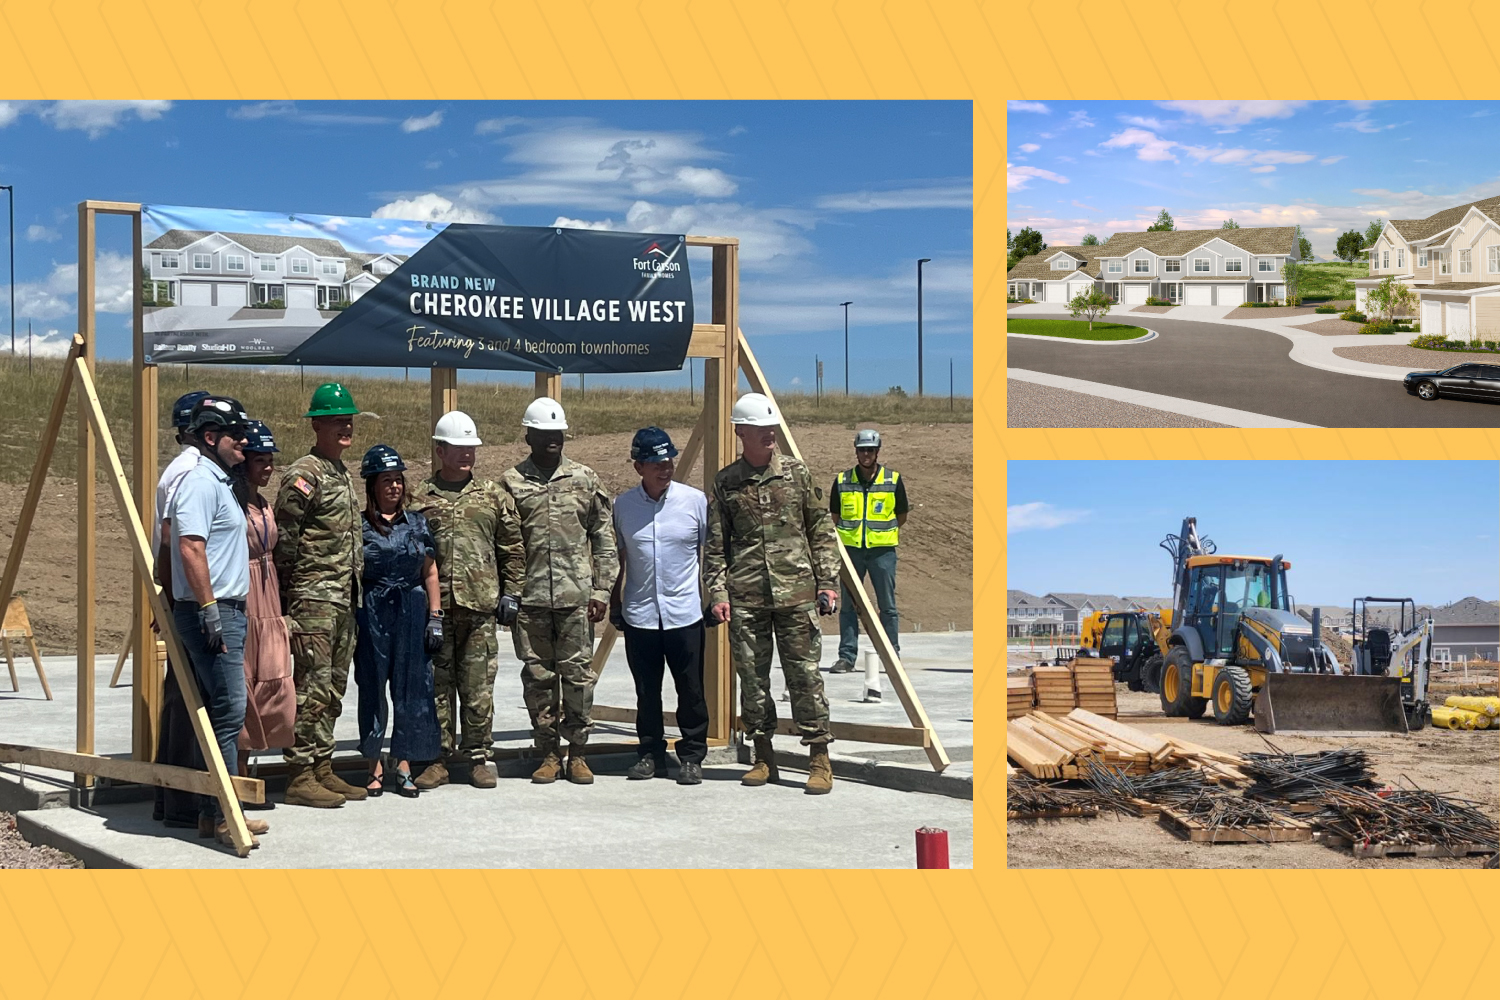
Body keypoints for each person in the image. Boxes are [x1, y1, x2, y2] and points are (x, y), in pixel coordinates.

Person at [704, 392, 842, 795]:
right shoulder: (726, 482)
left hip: (797, 595)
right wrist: (717, 592)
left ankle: (819, 758)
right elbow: (716, 545)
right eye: (761, 430)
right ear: (741, 432)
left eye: (772, 429)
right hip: (746, 598)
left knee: (805, 677)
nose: (769, 436)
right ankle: (764, 756)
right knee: (753, 680)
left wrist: (828, 582)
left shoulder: (797, 474)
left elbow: (821, 531)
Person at [167, 396, 269, 847]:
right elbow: (189, 545)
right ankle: (229, 815)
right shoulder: (198, 483)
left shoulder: (218, 480)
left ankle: (214, 813)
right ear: (211, 438)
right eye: (236, 436)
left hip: (226, 609)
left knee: (220, 711)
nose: (245, 443)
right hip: (214, 611)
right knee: (228, 710)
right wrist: (208, 609)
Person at [500, 397, 617, 785]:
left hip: (576, 600)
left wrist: (601, 591)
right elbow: (500, 543)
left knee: (579, 679)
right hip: (529, 600)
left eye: (558, 433)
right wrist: (507, 594)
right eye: (544, 433)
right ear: (528, 435)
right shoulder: (510, 483)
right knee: (538, 678)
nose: (553, 439)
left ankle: (578, 752)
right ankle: (548, 752)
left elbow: (604, 538)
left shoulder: (585, 479)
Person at [406, 411, 523, 790]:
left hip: (479, 607)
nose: (467, 455)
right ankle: (437, 759)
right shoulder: (419, 497)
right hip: (434, 610)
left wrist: (512, 593)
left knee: (477, 688)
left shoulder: (492, 495)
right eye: (458, 448)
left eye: (471, 448)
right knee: (437, 686)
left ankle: (477, 758)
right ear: (440, 450)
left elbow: (512, 548)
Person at [274, 382, 365, 809]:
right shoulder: (304, 474)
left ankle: (323, 765)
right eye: (335, 420)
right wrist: (290, 594)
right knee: (310, 685)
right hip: (313, 597)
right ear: (316, 425)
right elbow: (286, 540)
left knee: (333, 686)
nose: (345, 426)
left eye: (348, 419)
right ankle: (299, 772)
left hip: (344, 597)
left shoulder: (341, 473)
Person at [610, 427, 710, 786]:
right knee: (646, 692)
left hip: (685, 615)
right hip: (641, 616)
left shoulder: (694, 502)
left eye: (669, 461)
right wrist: (615, 600)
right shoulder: (623, 506)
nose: (665, 469)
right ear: (639, 467)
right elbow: (618, 558)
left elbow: (711, 557)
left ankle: (692, 756)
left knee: (691, 690)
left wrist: (714, 599)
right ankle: (651, 754)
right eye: (655, 463)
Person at [354, 445, 443, 798]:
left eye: (398, 480)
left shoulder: (418, 523)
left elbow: (431, 571)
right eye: (386, 481)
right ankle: (373, 764)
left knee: (412, 688)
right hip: (374, 609)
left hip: (412, 607)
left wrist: (435, 617)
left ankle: (404, 763)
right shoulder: (359, 526)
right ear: (373, 487)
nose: (394, 487)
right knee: (372, 686)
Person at [152, 390, 210, 829]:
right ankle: (182, 801)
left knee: (181, 698)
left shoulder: (181, 468)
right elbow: (175, 539)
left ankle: (170, 798)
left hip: (177, 593)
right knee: (191, 701)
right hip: (187, 596)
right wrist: (176, 597)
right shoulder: (191, 471)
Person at [234, 420, 295, 793]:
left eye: (270, 459)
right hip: (244, 596)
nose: (268, 467)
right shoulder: (233, 502)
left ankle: (255, 764)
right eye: (260, 460)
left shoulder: (263, 502)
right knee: (243, 684)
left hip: (269, 597)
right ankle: (239, 773)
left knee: (273, 681)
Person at [829, 428, 908, 673]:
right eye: (862, 450)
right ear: (856, 451)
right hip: (851, 551)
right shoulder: (842, 481)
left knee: (888, 605)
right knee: (848, 605)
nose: (866, 454)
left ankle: (891, 652)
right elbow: (835, 516)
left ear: (877, 452)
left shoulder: (892, 480)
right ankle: (847, 656)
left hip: (882, 552)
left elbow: (901, 515)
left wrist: (879, 533)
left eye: (870, 450)